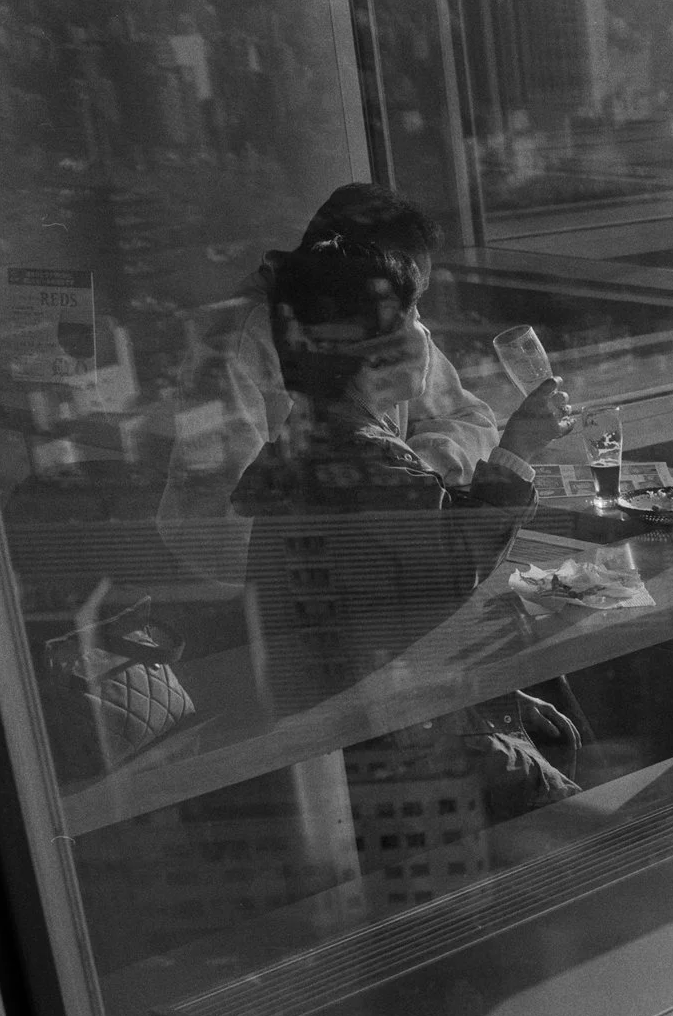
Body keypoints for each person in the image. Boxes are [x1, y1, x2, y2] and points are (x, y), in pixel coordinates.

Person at [235, 236, 577, 808]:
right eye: (415, 316)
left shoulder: (313, 437)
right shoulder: (355, 457)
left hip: (372, 709)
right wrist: (518, 445)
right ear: (375, 353)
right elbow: (456, 557)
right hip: (385, 752)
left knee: (554, 712)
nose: (425, 334)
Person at [160, 183, 500, 578]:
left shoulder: (386, 320)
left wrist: (408, 475)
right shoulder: (233, 346)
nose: (415, 318)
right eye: (405, 298)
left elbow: (473, 420)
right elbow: (223, 527)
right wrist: (385, 485)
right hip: (242, 593)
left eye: (416, 298)